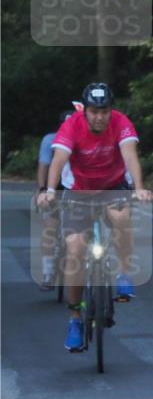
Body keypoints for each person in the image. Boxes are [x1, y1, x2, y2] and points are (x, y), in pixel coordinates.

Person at [37, 83, 153, 352]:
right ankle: (75, 318)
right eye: (93, 111)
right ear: (85, 111)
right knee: (75, 249)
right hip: (79, 191)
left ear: (110, 110)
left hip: (112, 186)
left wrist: (138, 187)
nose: (99, 117)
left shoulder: (121, 122)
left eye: (104, 111)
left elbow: (130, 155)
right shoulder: (72, 126)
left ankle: (124, 275)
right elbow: (57, 160)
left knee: (122, 218)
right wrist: (50, 191)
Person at [34, 111, 75, 290]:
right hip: (56, 185)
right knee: (50, 225)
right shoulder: (50, 140)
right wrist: (42, 189)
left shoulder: (86, 137)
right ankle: (48, 272)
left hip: (78, 187)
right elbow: (44, 166)